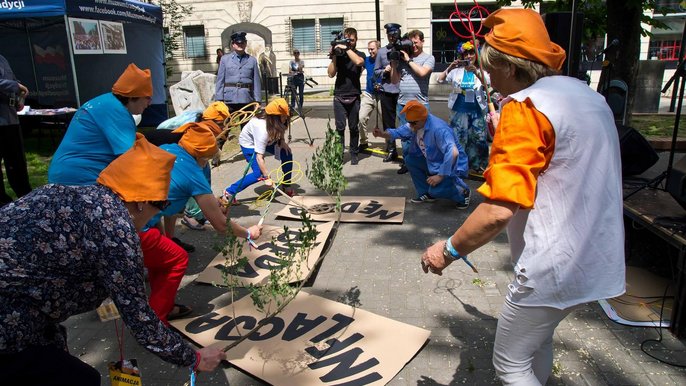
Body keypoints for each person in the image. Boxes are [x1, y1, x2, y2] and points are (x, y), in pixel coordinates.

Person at [419, 9, 625, 385]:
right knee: (536, 343)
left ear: (510, 68)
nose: (490, 80)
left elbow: (498, 211)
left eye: (491, 69)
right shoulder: (584, 95)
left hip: (552, 267)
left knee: (511, 364)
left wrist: (446, 250)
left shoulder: (524, 109)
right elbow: (560, 159)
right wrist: (508, 131)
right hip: (597, 258)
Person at [0, 135, 226, 384]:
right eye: (161, 203)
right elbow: (140, 318)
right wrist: (193, 358)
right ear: (141, 202)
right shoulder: (117, 232)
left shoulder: (69, 192)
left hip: (27, 311)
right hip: (9, 323)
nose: (160, 211)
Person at [141, 124, 262, 324]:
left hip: (127, 213)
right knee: (177, 258)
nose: (207, 162)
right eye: (207, 158)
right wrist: (248, 233)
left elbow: (169, 201)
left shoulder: (167, 148)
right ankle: (156, 320)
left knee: (162, 255)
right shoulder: (193, 172)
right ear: (201, 156)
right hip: (133, 225)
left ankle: (161, 303)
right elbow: (221, 225)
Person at [48, 63, 152, 185]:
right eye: (148, 98)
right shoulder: (116, 111)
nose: (149, 103)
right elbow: (130, 157)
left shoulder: (105, 102)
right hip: (79, 178)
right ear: (134, 96)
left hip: (63, 173)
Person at [147, 102, 230, 234]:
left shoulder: (201, 135)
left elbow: (203, 182)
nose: (223, 128)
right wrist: (208, 209)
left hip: (169, 149)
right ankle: (164, 234)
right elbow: (193, 185)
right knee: (168, 197)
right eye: (220, 124)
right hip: (153, 147)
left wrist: (212, 201)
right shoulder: (191, 133)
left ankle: (169, 238)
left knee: (172, 201)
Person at [373, 100, 470, 209]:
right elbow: (397, 132)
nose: (410, 125)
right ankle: (426, 193)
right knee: (410, 160)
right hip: (434, 160)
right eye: (409, 122)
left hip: (452, 164)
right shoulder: (415, 123)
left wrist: (440, 176)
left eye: (413, 123)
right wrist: (382, 134)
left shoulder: (439, 129)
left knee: (437, 191)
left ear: (423, 119)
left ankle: (462, 192)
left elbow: (453, 153)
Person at [437, 41, 490, 174]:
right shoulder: (456, 71)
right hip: (459, 108)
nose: (469, 56)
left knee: (478, 138)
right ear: (461, 55)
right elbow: (440, 79)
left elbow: (488, 84)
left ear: (476, 54)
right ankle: (459, 165)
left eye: (472, 53)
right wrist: (450, 67)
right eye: (466, 53)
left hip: (477, 109)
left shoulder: (482, 70)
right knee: (459, 137)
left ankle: (478, 165)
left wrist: (477, 73)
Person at [224, 98, 294, 199]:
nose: (285, 119)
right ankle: (229, 192)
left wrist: (282, 142)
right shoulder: (262, 129)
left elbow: (281, 128)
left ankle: (286, 185)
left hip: (267, 140)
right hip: (250, 144)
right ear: (275, 118)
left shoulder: (276, 121)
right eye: (283, 117)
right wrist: (266, 176)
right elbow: (259, 157)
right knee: (258, 174)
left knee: (286, 154)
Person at [390, 29, 435, 174]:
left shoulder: (429, 58)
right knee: (405, 136)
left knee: (423, 135)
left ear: (422, 41)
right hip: (403, 103)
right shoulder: (402, 59)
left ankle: (425, 163)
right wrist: (393, 64)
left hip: (420, 104)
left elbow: (422, 72)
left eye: (416, 42)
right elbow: (394, 81)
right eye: (411, 43)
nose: (414, 45)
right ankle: (408, 162)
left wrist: (408, 60)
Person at [327, 27, 365, 165]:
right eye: (347, 39)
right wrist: (335, 56)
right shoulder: (339, 54)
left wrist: (346, 47)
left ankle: (354, 153)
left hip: (354, 95)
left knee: (354, 127)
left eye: (352, 40)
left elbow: (359, 62)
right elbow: (330, 73)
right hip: (339, 95)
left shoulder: (360, 54)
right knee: (340, 127)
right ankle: (339, 154)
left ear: (356, 40)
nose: (350, 42)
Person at [0, 54, 32, 205]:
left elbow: (12, 79)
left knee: (17, 161)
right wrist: (15, 86)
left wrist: (19, 93)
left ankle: (25, 196)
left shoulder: (2, 58)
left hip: (10, 118)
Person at [374, 23, 402, 162]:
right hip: (387, 91)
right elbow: (376, 71)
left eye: (394, 34)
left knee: (405, 122)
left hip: (402, 91)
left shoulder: (403, 49)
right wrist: (384, 71)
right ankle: (392, 149)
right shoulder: (381, 52)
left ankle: (408, 150)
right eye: (390, 35)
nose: (392, 37)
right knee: (388, 123)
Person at [215, 31, 262, 112]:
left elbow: (256, 82)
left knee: (246, 124)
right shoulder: (225, 59)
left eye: (242, 43)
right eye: (238, 43)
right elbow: (220, 81)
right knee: (228, 124)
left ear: (246, 43)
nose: (240, 45)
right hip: (229, 99)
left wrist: (257, 100)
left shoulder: (252, 60)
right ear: (233, 44)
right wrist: (219, 99)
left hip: (246, 98)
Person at [357, 40, 381, 151]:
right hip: (368, 93)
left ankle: (390, 145)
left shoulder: (384, 60)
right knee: (361, 117)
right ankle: (363, 142)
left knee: (386, 121)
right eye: (369, 49)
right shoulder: (367, 60)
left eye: (372, 49)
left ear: (378, 49)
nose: (370, 51)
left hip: (382, 95)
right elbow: (359, 71)